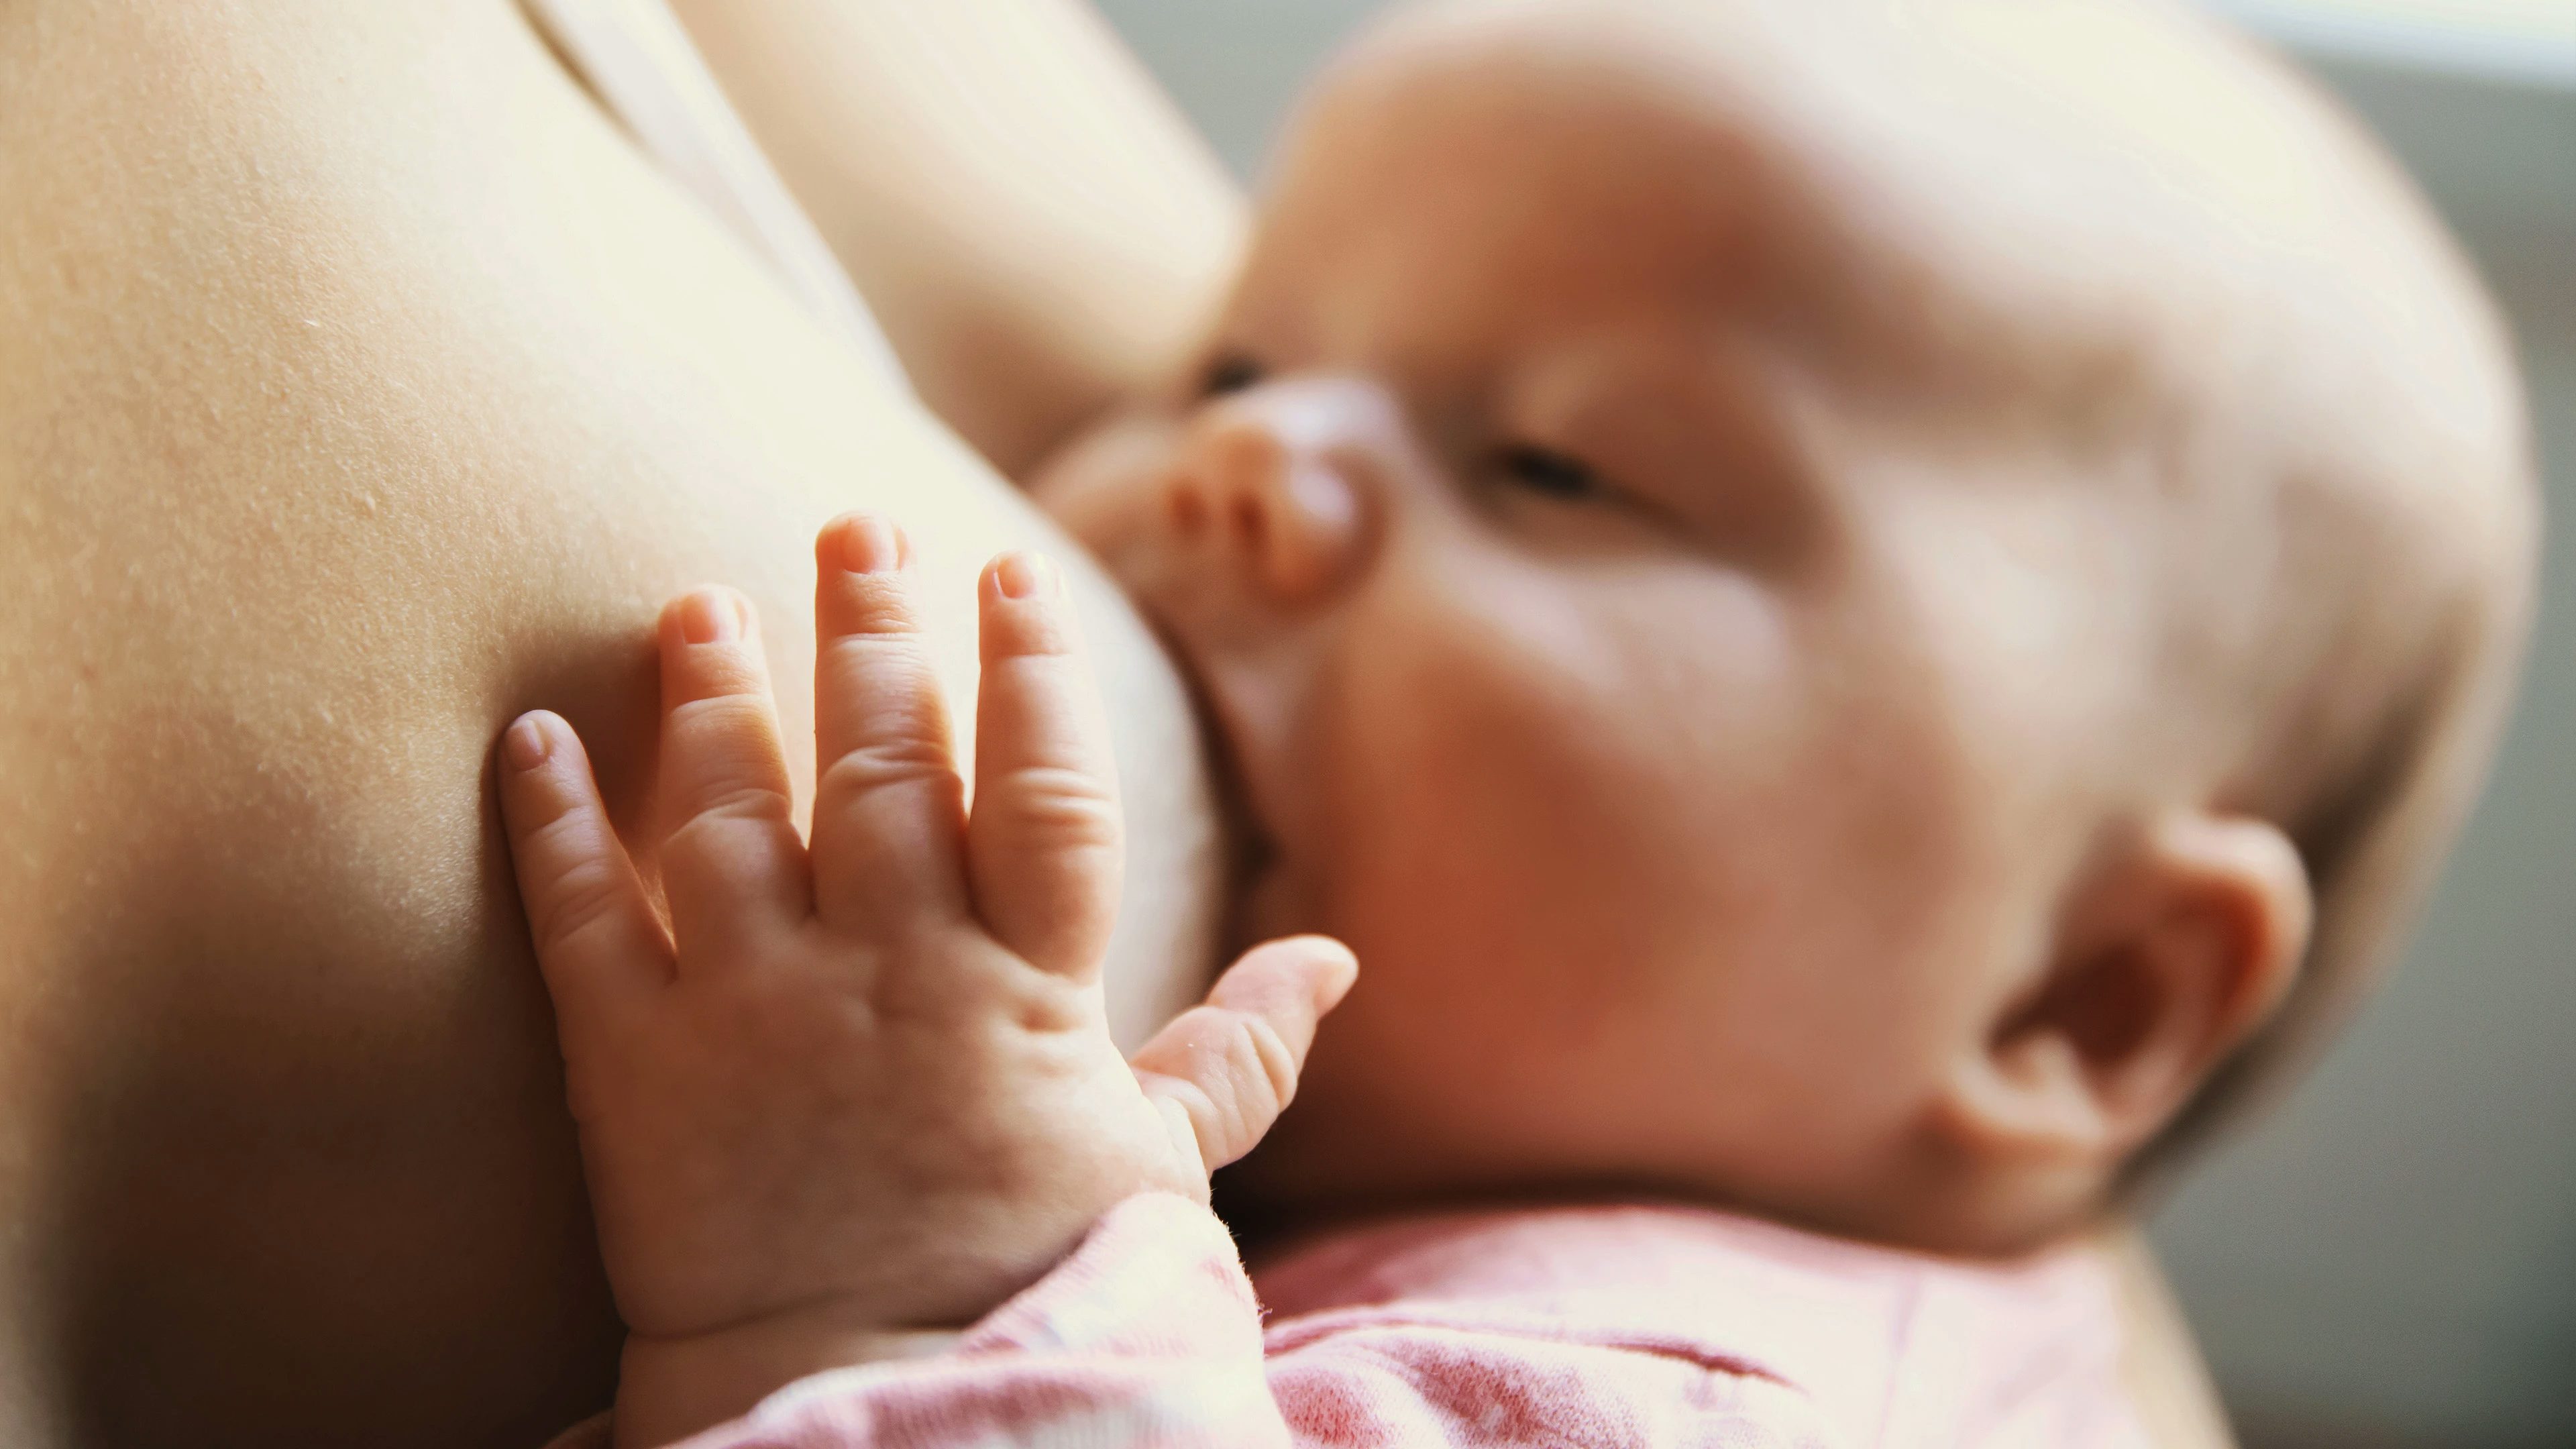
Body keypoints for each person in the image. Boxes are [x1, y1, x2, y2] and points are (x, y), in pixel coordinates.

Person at [490, 0, 2539, 1444]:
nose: (1258, 464)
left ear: (2076, 996)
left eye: (1560, 469)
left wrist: (907, 1306)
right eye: (1238, 362)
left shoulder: (1653, 1402)